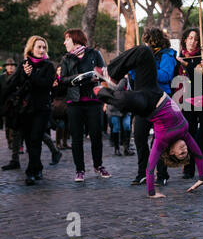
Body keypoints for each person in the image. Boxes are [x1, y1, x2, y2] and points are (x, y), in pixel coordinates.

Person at [93, 45, 203, 197]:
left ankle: (97, 91)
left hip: (147, 105)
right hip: (154, 89)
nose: (184, 150)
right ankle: (112, 74)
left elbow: (151, 168)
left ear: (171, 152)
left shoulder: (161, 142)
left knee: (124, 100)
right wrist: (201, 178)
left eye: (180, 154)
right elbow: (198, 155)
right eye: (186, 152)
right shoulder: (185, 134)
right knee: (144, 52)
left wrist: (152, 193)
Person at [3, 36, 56, 185]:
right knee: (29, 141)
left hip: (42, 109)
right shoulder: (24, 64)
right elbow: (13, 83)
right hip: (25, 109)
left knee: (35, 139)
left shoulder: (48, 66)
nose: (41, 50)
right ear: (31, 48)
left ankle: (30, 172)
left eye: (44, 47)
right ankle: (37, 167)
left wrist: (31, 75)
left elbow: (45, 85)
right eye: (38, 47)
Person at [60, 28, 110, 182]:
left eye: (67, 39)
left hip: (93, 102)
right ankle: (79, 170)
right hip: (74, 103)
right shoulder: (66, 59)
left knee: (96, 135)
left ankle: (98, 165)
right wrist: (78, 77)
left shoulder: (94, 54)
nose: (64, 42)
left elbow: (104, 74)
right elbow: (63, 80)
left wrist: (98, 77)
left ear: (75, 40)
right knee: (76, 138)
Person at [132, 27, 177, 186]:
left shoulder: (167, 55)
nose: (145, 43)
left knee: (159, 139)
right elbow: (134, 75)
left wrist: (147, 69)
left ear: (154, 40)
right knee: (139, 136)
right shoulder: (142, 55)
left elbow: (166, 76)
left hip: (160, 101)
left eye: (147, 40)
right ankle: (142, 173)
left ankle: (162, 174)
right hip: (142, 100)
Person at [175, 28, 203, 181]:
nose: (192, 41)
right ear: (185, 40)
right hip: (187, 100)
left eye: (195, 39)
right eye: (190, 38)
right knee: (189, 135)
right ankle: (188, 169)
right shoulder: (180, 57)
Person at [1, 58, 23, 171]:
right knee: (9, 127)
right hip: (6, 106)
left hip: (16, 106)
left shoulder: (17, 76)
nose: (10, 67)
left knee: (17, 129)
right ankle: (12, 146)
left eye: (12, 65)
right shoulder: (2, 77)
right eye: (8, 65)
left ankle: (54, 150)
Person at [105, 77, 134, 156]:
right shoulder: (109, 79)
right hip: (114, 108)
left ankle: (126, 148)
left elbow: (131, 92)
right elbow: (115, 90)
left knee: (127, 126)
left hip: (126, 108)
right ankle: (116, 149)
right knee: (116, 128)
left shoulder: (127, 80)